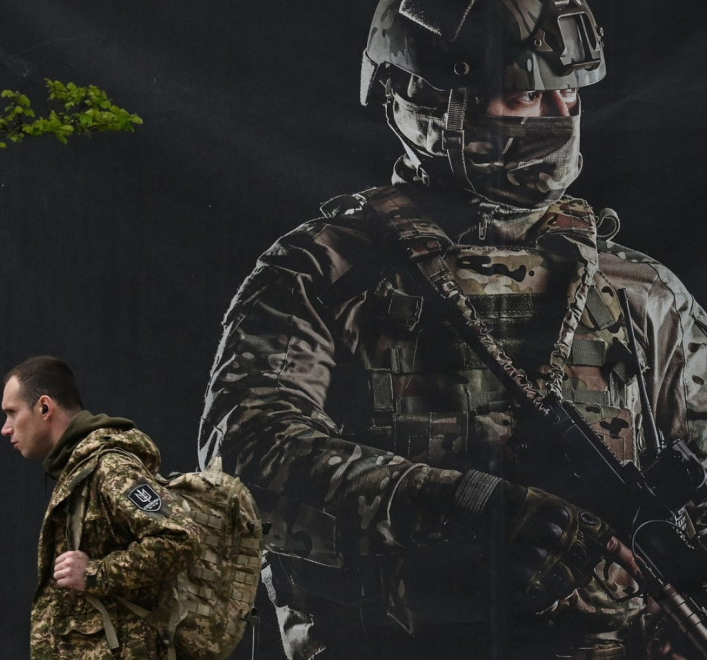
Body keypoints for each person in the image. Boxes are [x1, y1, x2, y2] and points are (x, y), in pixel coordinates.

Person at [197, 1, 707, 659]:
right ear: (428, 100)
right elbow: (242, 461)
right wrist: (463, 504)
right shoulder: (325, 269)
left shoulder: (641, 293)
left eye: (570, 94)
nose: (559, 117)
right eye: (526, 95)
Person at [1, 355, 204, 659]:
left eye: (12, 413)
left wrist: (96, 573)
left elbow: (181, 539)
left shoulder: (110, 467)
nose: (6, 429)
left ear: (44, 407)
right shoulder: (77, 469)